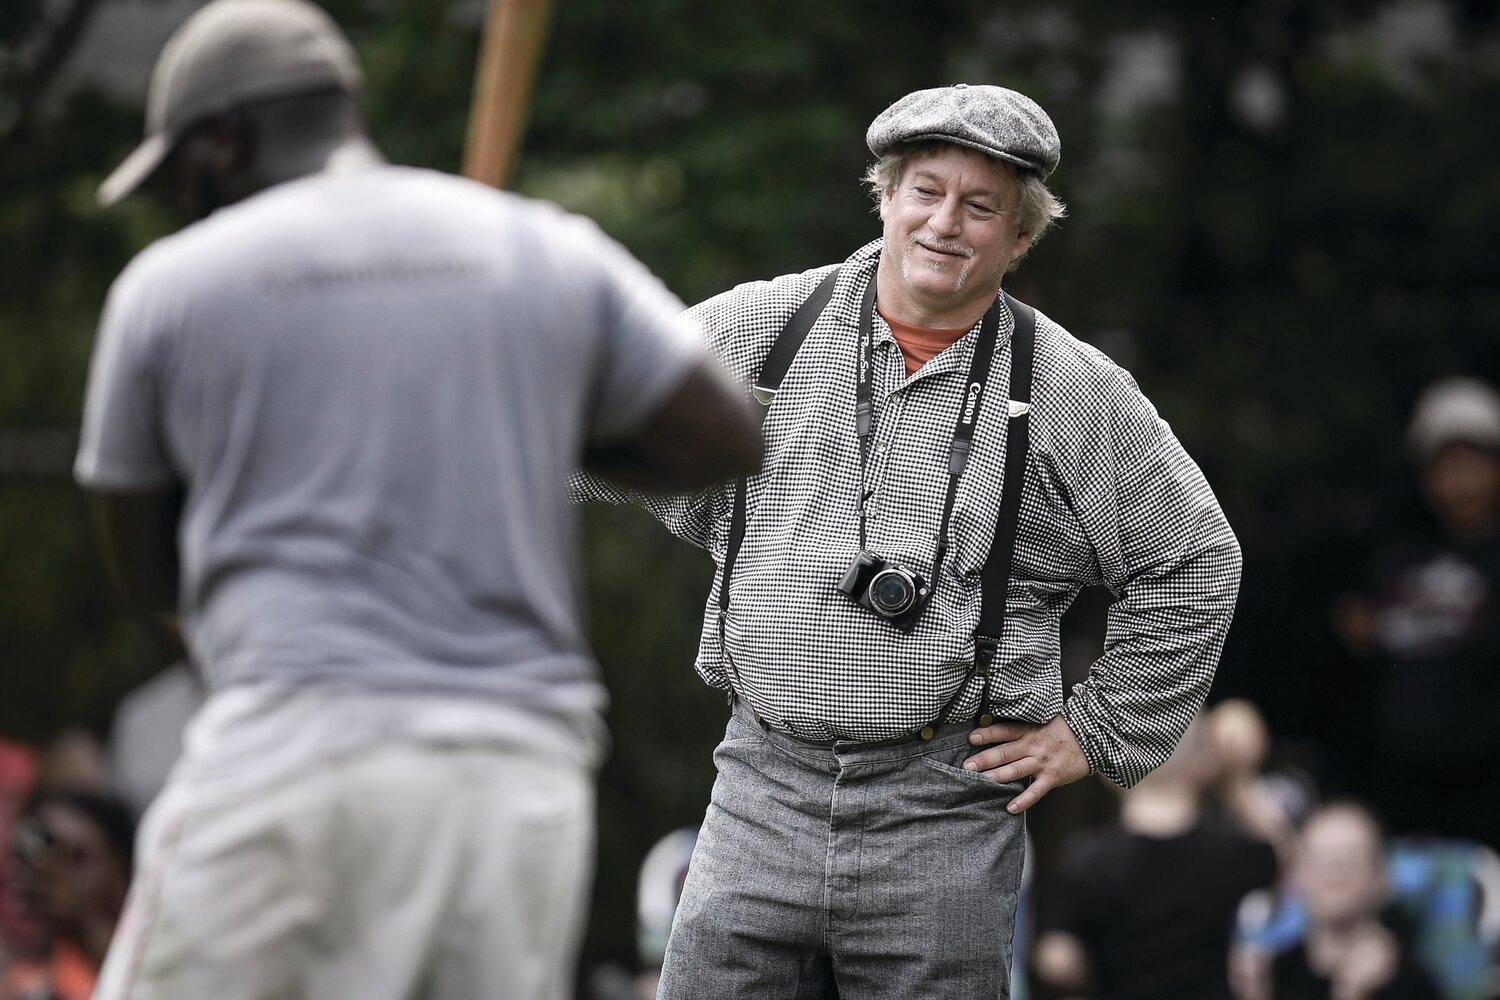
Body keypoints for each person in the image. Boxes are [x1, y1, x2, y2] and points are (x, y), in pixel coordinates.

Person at [73, 2, 762, 998]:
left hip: (291, 752)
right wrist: (526, 423)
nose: (188, 201)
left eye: (185, 171)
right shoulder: (537, 246)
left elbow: (149, 567)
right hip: (518, 774)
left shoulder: (171, 285)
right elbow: (727, 433)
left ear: (225, 136)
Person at [574, 83, 1242, 997]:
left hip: (946, 810)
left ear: (1020, 237)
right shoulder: (763, 330)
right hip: (760, 785)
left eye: (981, 207)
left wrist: (1097, 730)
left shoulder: (1072, 390)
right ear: (884, 195)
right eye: (926, 191)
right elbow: (581, 429)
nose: (945, 224)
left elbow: (1196, 561)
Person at [1334, 376, 1500, 852]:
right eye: (1445, 466)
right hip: (1400, 796)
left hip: (1486, 803)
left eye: (1473, 462)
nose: (1460, 482)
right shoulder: (1394, 557)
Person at [1031, 714, 1279, 1000]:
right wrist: (1239, 781)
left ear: (1110, 773)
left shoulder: (1088, 858)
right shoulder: (1231, 851)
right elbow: (1283, 860)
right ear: (1206, 765)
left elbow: (1056, 961)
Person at [1235, 802, 1441, 1000]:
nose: (1334, 874)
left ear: (1383, 879)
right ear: (1296, 877)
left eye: (1349, 861)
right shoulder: (1271, 976)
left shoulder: (1408, 983)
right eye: (1319, 859)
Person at [1, 790, 135, 1000]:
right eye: (39, 853)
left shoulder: (159, 951)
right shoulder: (24, 984)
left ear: (120, 868)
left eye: (76, 857)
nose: (49, 871)